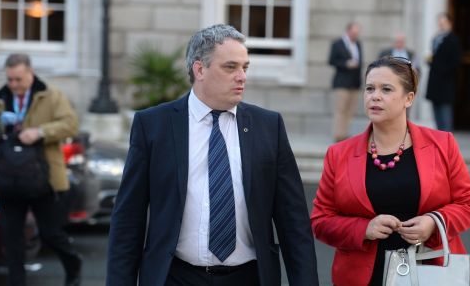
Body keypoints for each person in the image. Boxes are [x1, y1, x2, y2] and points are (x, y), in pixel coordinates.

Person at [106, 24, 318, 286]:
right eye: (230, 67)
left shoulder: (268, 126)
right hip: (176, 276)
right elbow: (128, 219)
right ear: (199, 69)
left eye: (245, 67)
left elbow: (293, 222)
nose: (241, 76)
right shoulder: (153, 126)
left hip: (249, 277)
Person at [311, 56, 470, 286]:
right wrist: (364, 228)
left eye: (386, 89)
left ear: (408, 98)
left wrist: (433, 222)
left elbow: (469, 205)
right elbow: (321, 220)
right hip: (362, 277)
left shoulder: (442, 144)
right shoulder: (339, 154)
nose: (375, 96)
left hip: (430, 272)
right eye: (370, 88)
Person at [0, 53, 82, 286]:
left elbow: (70, 123)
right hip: (8, 180)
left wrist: (39, 132)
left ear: (30, 73)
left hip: (43, 179)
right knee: (12, 242)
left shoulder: (51, 95)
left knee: (51, 234)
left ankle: (73, 264)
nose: (13, 85)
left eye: (18, 79)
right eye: (10, 79)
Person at [426, 13, 462, 132]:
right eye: (440, 23)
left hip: (445, 84)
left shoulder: (453, 40)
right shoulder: (436, 39)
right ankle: (440, 141)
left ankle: (447, 143)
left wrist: (441, 69)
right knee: (437, 115)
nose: (441, 26)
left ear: (450, 24)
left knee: (445, 117)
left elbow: (455, 63)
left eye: (444, 23)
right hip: (435, 83)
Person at [329, 22, 363, 142]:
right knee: (340, 110)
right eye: (353, 33)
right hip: (341, 82)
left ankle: (345, 134)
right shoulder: (337, 44)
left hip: (354, 83)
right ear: (348, 31)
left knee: (350, 110)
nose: (355, 35)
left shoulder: (358, 44)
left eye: (357, 33)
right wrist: (346, 64)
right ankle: (338, 135)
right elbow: (331, 61)